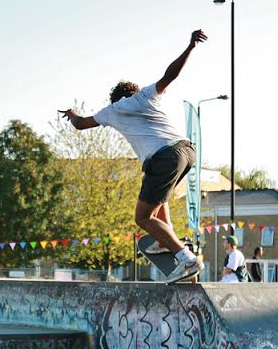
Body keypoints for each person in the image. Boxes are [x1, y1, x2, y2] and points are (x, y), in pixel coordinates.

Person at [61, 29, 207, 283]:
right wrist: (190, 47)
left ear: (116, 99)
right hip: (187, 151)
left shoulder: (112, 110)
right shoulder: (146, 96)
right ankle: (165, 240)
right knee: (159, 199)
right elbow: (170, 75)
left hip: (163, 158)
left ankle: (186, 259)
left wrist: (72, 113)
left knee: (143, 217)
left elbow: (81, 124)